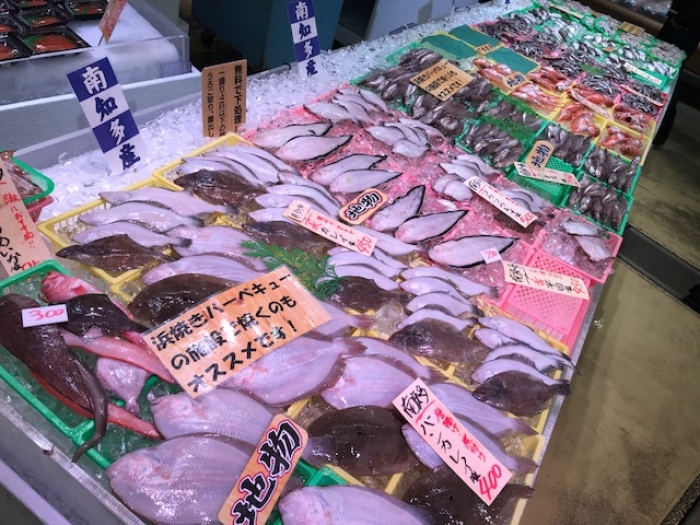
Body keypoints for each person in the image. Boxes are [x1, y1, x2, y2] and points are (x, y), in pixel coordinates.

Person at [653, 0, 700, 147]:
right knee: (668, 76)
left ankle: (659, 132)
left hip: (684, 29)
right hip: (684, 25)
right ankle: (659, 132)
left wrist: (680, 20)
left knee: (670, 78)